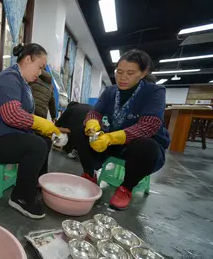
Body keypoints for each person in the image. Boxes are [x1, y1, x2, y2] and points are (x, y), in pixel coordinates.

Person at [73, 50, 170, 210]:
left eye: (130, 73)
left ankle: (126, 188)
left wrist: (111, 138)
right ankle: (89, 175)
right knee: (80, 130)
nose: (123, 78)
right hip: (117, 144)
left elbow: (149, 125)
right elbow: (95, 112)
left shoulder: (154, 92)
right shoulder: (111, 91)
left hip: (141, 149)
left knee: (145, 145)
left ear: (143, 73)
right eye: (119, 72)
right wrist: (92, 124)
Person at [0, 43, 61, 219]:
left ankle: (32, 184)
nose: (40, 72)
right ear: (28, 59)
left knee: (44, 141)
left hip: (7, 134)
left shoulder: (24, 83)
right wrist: (40, 124)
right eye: (40, 67)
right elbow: (12, 115)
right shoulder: (9, 78)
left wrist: (42, 127)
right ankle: (20, 198)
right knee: (36, 145)